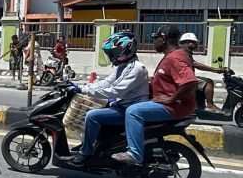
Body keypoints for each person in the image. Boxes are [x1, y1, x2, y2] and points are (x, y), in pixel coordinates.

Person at [113, 25, 197, 165]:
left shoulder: (175, 57)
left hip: (175, 107)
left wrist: (171, 99)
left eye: (155, 39)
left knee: (133, 112)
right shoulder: (172, 55)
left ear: (163, 39)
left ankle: (134, 154)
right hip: (170, 103)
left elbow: (190, 82)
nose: (154, 42)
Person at [66, 31, 150, 167]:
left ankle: (86, 152)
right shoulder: (125, 66)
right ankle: (92, 144)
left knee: (92, 116)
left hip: (128, 108)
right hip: (122, 105)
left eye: (114, 53)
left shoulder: (136, 68)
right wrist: (82, 86)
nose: (112, 57)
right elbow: (106, 83)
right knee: (92, 108)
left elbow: (114, 90)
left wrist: (83, 90)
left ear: (126, 50)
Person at [179, 32, 229, 110]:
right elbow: (195, 64)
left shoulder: (183, 51)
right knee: (209, 82)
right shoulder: (183, 52)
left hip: (184, 76)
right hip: (184, 78)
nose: (196, 45)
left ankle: (199, 104)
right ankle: (210, 104)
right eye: (195, 43)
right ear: (188, 42)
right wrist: (215, 69)